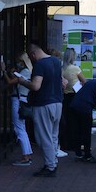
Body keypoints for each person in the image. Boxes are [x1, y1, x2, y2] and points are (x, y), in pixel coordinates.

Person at [18, 43, 63, 177]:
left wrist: (23, 81)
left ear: (33, 54)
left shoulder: (40, 65)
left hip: (43, 104)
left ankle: (50, 166)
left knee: (44, 137)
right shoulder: (56, 61)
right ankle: (53, 162)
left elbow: (36, 86)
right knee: (53, 135)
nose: (32, 60)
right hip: (57, 103)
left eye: (31, 58)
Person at [1, 52, 34, 166]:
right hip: (24, 100)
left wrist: (4, 71)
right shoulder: (28, 71)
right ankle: (28, 154)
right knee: (22, 128)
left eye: (19, 61)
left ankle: (25, 156)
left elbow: (11, 82)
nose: (18, 63)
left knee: (19, 128)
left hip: (19, 101)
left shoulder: (25, 72)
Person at [70, 79, 96, 163]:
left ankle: (78, 154)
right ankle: (87, 155)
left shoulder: (95, 82)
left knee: (77, 130)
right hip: (85, 107)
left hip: (74, 104)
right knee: (86, 131)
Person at [60, 48, 86, 154]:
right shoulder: (75, 68)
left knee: (66, 120)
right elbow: (84, 81)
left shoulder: (61, 69)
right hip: (75, 96)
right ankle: (76, 143)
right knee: (75, 121)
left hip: (64, 97)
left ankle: (65, 143)